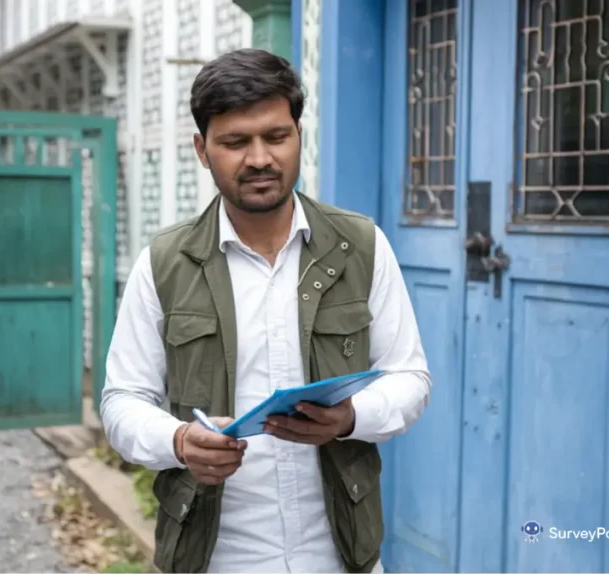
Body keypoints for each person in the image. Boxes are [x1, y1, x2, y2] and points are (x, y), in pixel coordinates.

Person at [99, 48, 431, 574]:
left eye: (276, 136)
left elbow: (410, 377)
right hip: (215, 557)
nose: (259, 158)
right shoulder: (164, 264)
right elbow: (122, 402)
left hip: (342, 555)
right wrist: (180, 441)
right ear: (202, 150)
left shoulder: (360, 246)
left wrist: (349, 418)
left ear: (299, 135)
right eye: (235, 142)